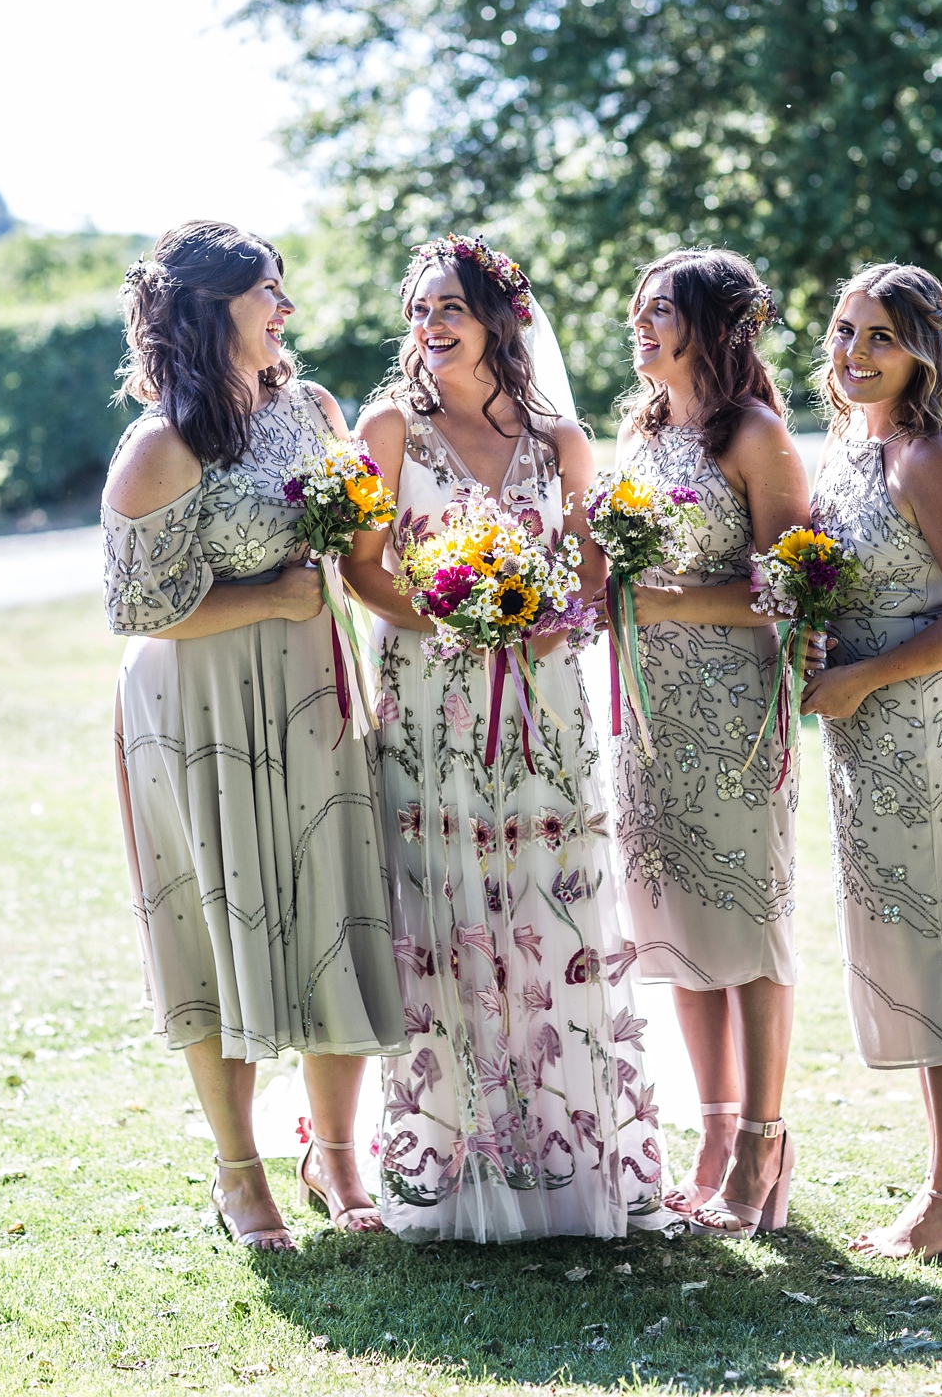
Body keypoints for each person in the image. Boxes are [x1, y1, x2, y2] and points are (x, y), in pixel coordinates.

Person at [345, 234, 665, 1242]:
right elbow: (360, 569)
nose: (429, 327)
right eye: (419, 311)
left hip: (543, 701)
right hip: (431, 697)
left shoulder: (560, 442)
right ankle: (442, 1159)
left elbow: (589, 574)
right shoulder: (390, 427)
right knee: (441, 906)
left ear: (498, 320)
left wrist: (542, 612)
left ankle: (561, 1157)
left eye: (448, 308)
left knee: (544, 906)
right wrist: (455, 617)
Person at [102, 221, 406, 1251]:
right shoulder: (162, 445)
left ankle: (337, 1153)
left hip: (315, 687)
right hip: (195, 705)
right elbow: (137, 607)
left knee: (333, 895)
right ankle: (240, 1174)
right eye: (268, 291)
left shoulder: (312, 408)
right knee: (218, 925)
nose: (286, 308)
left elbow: (359, 545)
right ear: (207, 308)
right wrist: (271, 599)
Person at [611, 248, 825, 1239]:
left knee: (747, 924)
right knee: (681, 929)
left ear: (709, 323)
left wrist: (666, 601)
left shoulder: (756, 437)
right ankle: (710, 1133)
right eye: (639, 310)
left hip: (737, 718)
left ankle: (763, 1142)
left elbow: (794, 590)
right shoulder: (646, 431)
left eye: (660, 310)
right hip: (651, 716)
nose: (639, 325)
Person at [801, 261, 942, 1264]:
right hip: (865, 730)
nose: (855, 354)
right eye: (845, 331)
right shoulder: (850, 448)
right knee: (910, 952)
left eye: (880, 335)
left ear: (924, 347)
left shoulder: (932, 455)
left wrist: (866, 674)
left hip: (930, 729)